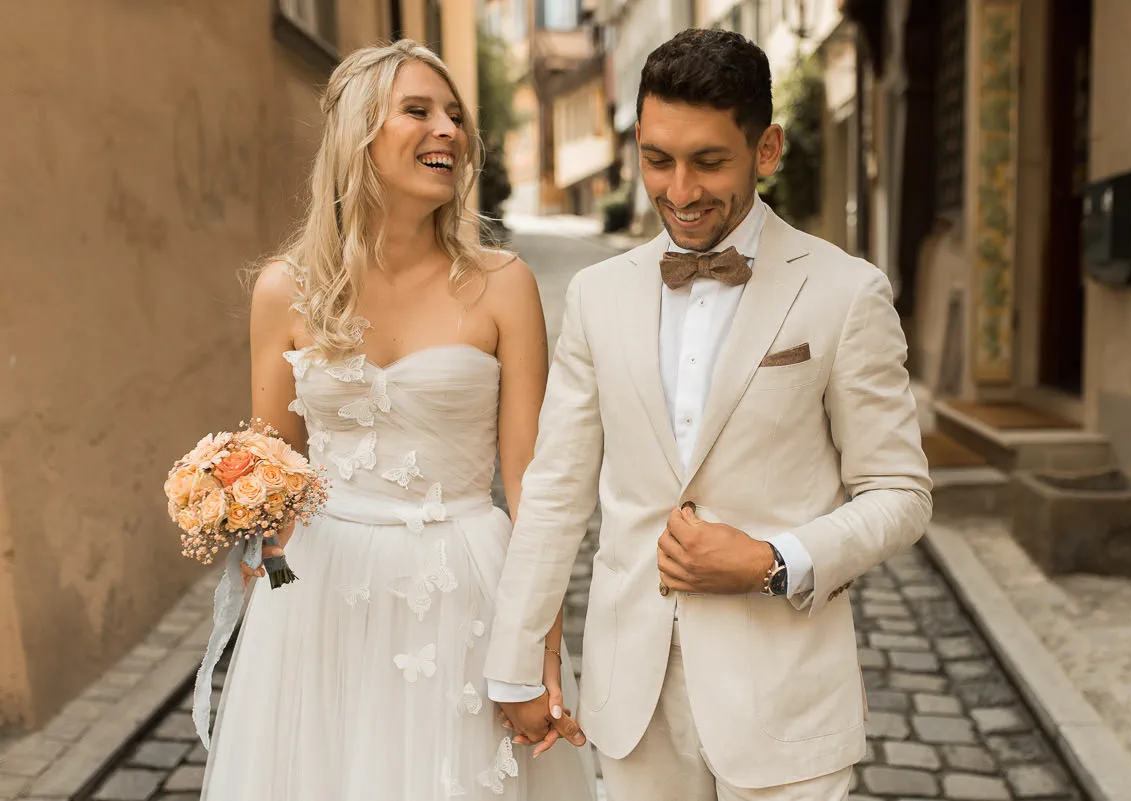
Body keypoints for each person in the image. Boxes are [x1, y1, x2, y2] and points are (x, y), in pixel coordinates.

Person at [484, 28, 932, 801]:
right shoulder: (598, 294)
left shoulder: (844, 292)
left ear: (766, 150)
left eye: (709, 161)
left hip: (786, 696)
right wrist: (518, 659)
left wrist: (771, 558)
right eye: (657, 159)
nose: (680, 190)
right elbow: (556, 488)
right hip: (634, 696)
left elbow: (900, 493)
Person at [200, 39, 593, 801]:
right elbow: (271, 467)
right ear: (358, 135)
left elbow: (535, 486)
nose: (448, 129)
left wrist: (537, 648)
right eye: (418, 111)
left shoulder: (503, 285)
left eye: (455, 115)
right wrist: (254, 549)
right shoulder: (285, 290)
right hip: (322, 594)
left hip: (465, 587)